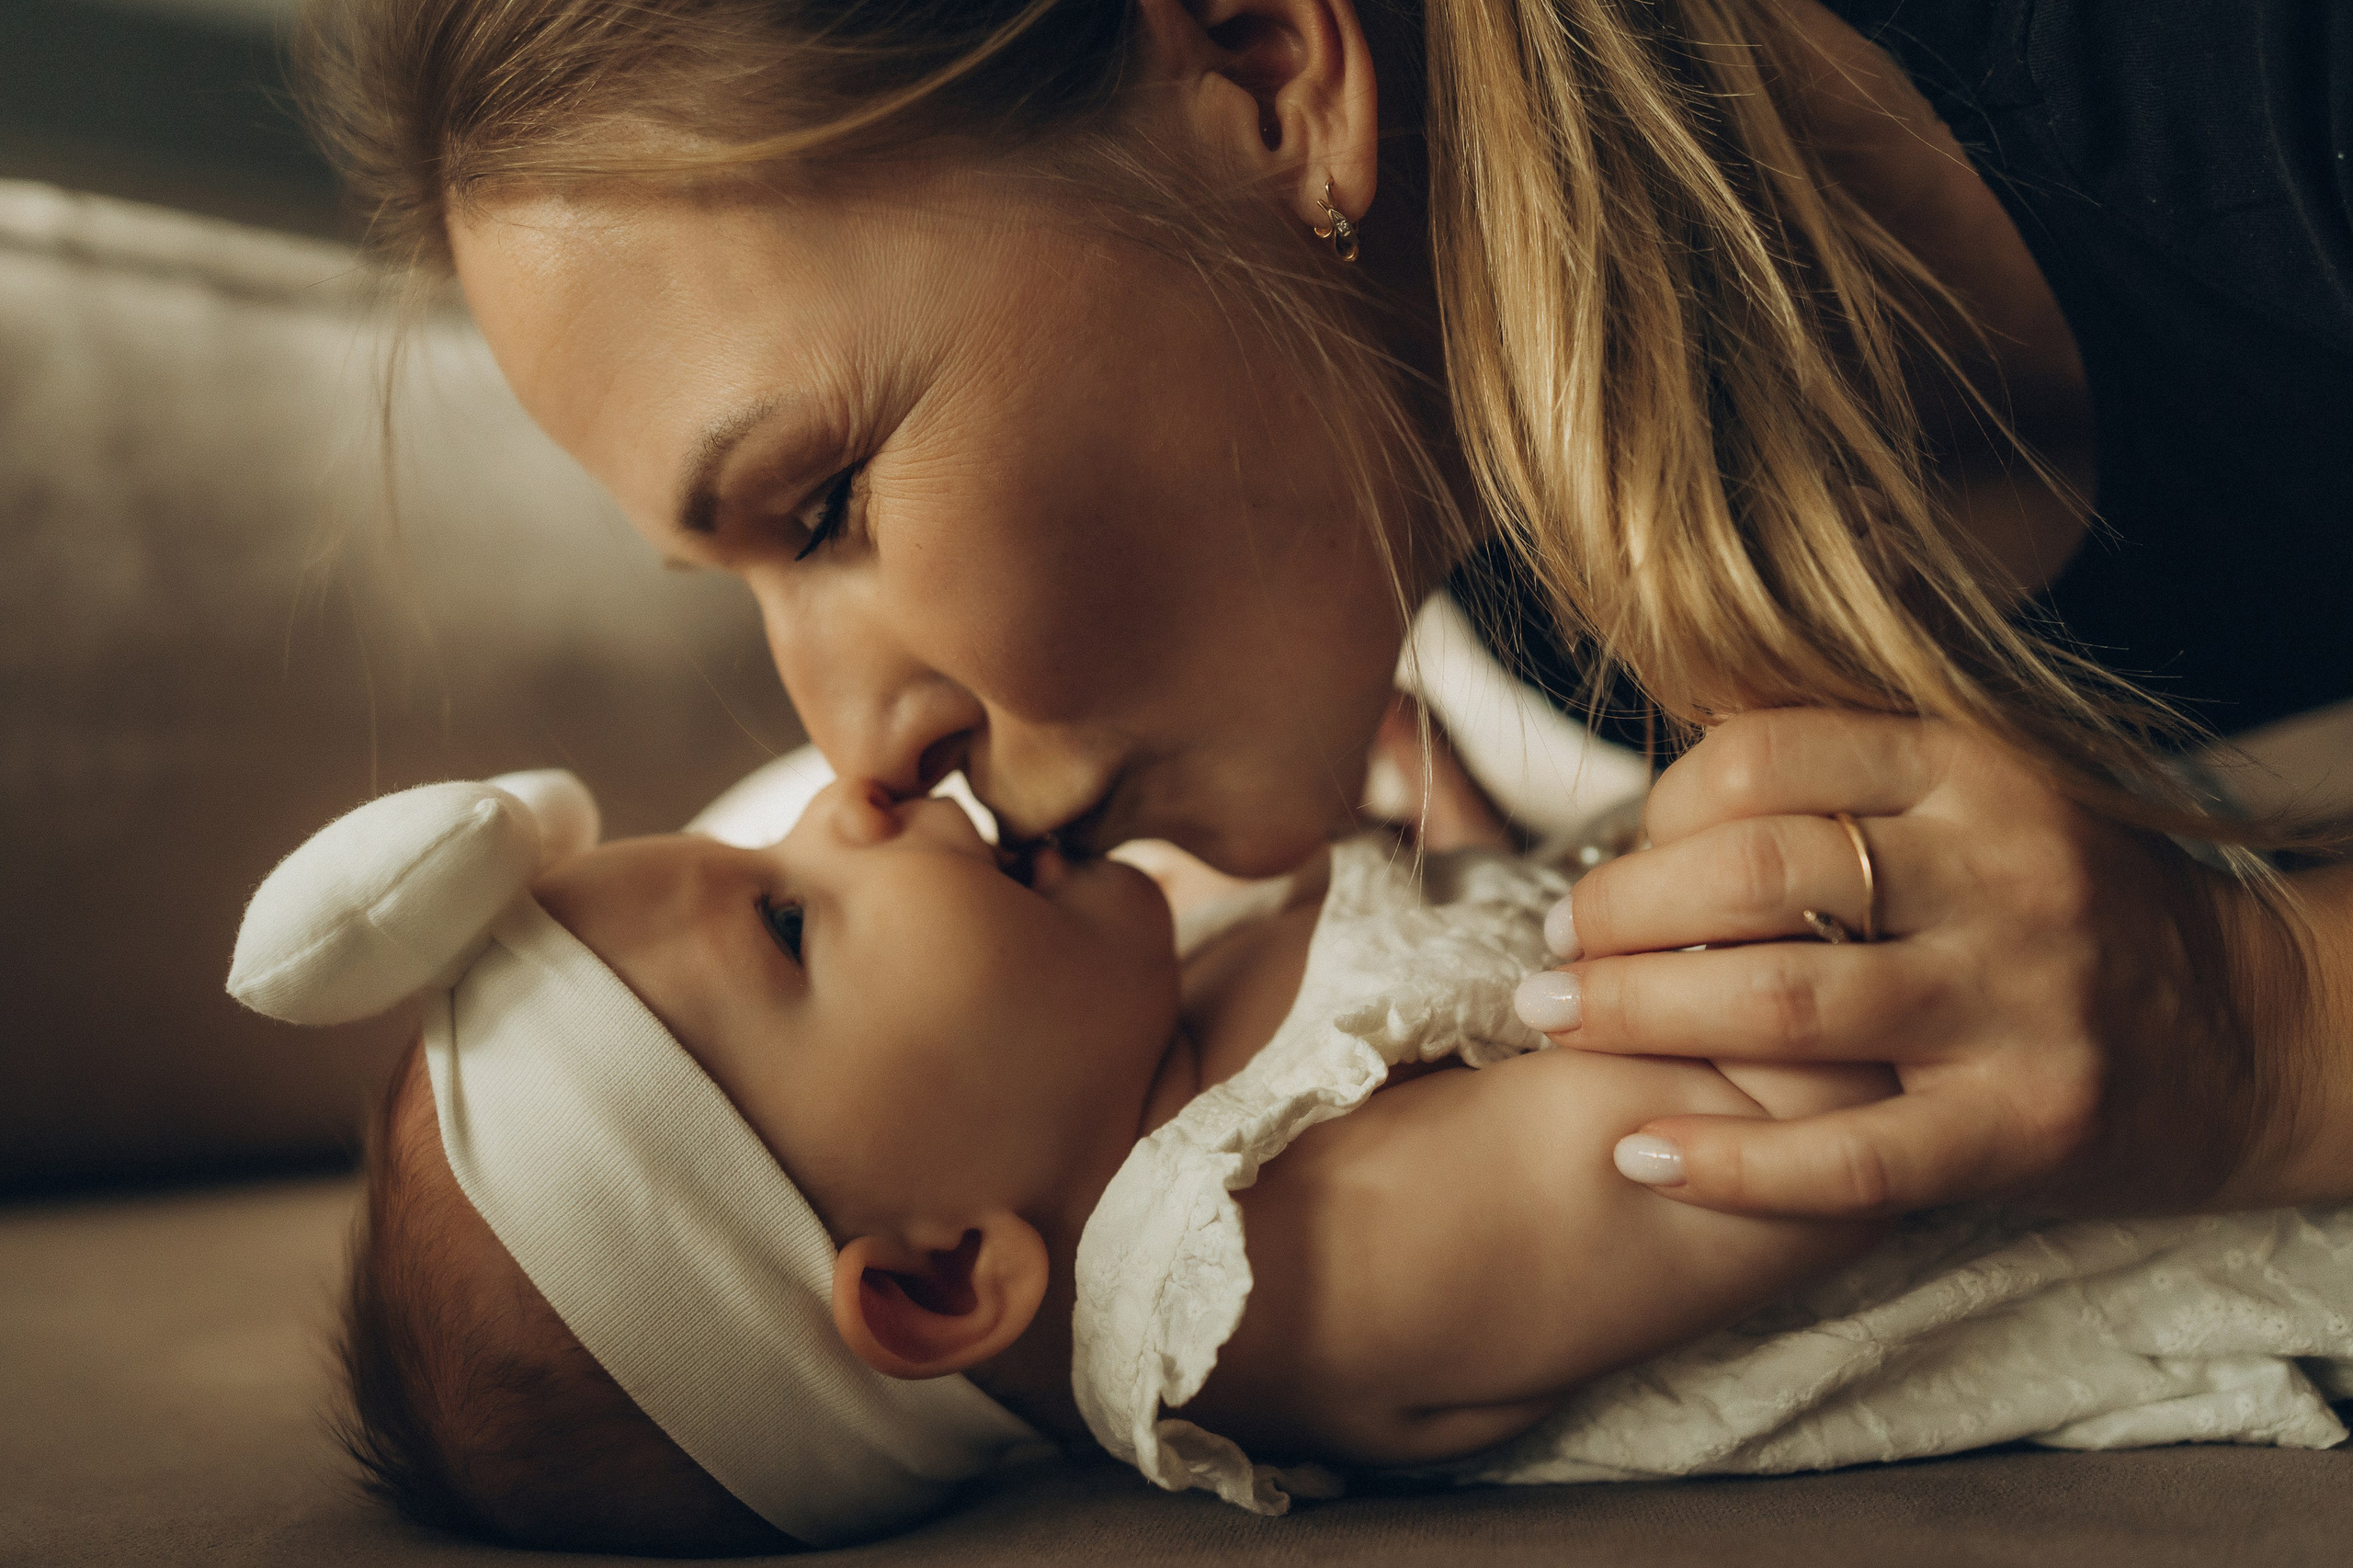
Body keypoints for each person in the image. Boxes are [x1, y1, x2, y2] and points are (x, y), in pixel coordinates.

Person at [295, 0, 2353, 1228]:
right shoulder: (1519, 637)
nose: (851, 751)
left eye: (822, 503)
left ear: (1265, 68)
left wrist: (2259, 1032)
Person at [226, 768, 2353, 1551]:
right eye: (789, 921)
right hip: (2194, 1171)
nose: (849, 808)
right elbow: (1758, 1123)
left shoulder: (1178, 1022)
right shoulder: (1255, 1286)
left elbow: (1456, 941)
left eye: (764, 834)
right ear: (949, 1275)